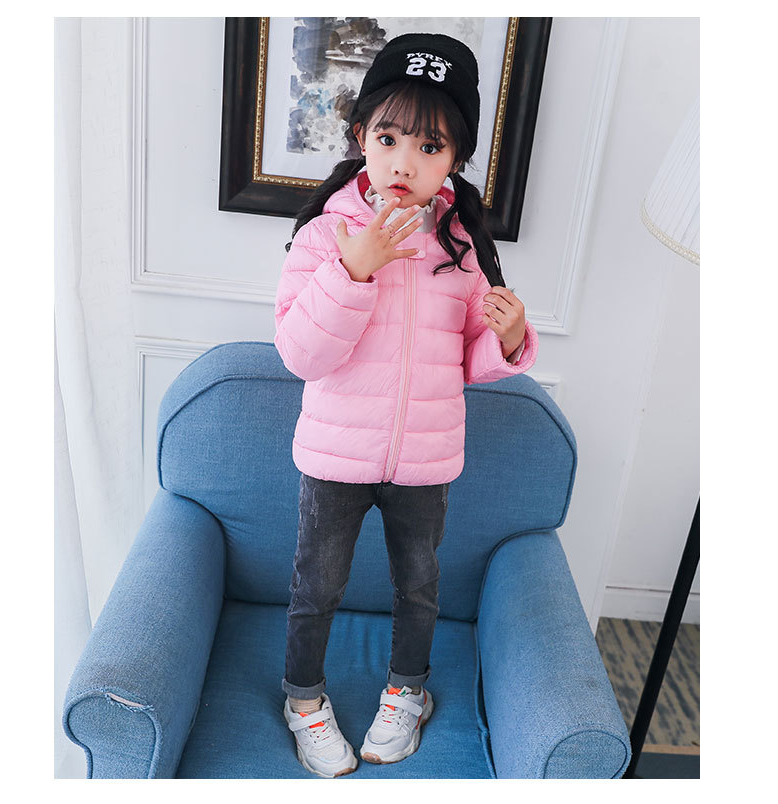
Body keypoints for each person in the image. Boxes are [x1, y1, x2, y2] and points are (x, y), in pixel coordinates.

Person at [273, 32, 538, 778]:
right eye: (388, 139)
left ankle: (407, 693)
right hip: (335, 456)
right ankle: (303, 700)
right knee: (316, 587)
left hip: (424, 459)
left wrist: (508, 337)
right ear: (361, 137)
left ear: (454, 160)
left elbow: (470, 359)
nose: (403, 161)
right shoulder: (325, 237)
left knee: (418, 586)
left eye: (429, 146)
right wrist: (353, 271)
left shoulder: (461, 247)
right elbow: (300, 354)